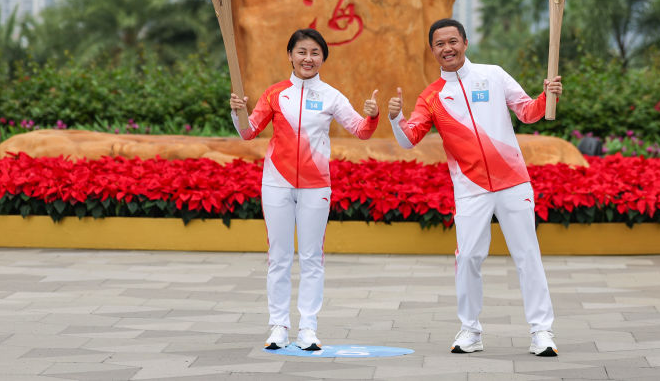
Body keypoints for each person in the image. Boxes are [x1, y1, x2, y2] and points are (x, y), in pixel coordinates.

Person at [387, 18, 562, 357]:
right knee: (468, 256)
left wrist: (546, 97)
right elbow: (409, 139)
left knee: (527, 255)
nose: (447, 48)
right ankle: (470, 330)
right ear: (433, 51)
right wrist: (395, 118)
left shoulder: (493, 75)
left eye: (453, 41)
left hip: (513, 181)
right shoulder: (432, 97)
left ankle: (542, 331)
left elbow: (526, 112)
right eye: (440, 44)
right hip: (470, 188)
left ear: (465, 43)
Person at [231, 28, 379, 351]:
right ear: (290, 56)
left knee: (312, 257)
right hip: (276, 182)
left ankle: (308, 328)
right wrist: (237, 111)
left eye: (314, 53)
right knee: (279, 256)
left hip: (316, 186)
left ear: (322, 58)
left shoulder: (331, 96)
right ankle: (278, 326)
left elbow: (361, 131)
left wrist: (373, 116)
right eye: (301, 52)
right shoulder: (274, 94)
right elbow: (248, 131)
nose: (307, 58)